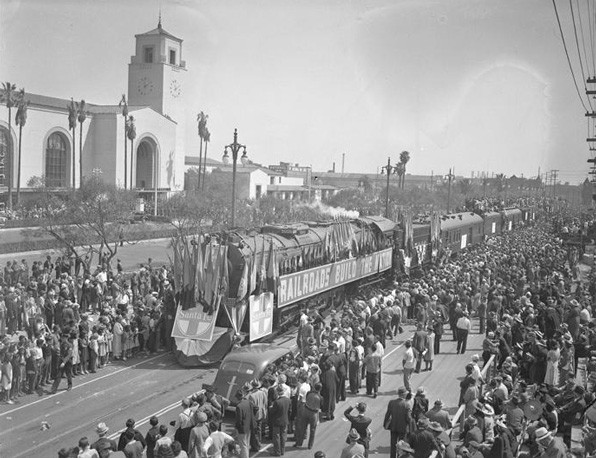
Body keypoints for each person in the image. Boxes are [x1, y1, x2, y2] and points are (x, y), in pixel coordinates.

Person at [384, 387, 412, 458]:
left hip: (393, 426)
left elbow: (387, 414)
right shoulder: (407, 404)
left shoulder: (392, 402)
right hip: (403, 428)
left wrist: (385, 424)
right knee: (402, 445)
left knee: (393, 444)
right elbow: (408, 418)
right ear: (404, 395)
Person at [294, 382, 322, 450]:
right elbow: (321, 406)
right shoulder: (320, 397)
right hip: (314, 413)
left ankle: (299, 443)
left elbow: (306, 399)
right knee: (312, 430)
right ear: (320, 389)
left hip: (306, 410)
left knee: (302, 428)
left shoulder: (309, 393)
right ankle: (310, 445)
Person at [270, 383, 291, 456]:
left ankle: (277, 452)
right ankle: (282, 451)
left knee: (276, 437)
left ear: (278, 392)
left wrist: (271, 407)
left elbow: (272, 411)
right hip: (285, 420)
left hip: (277, 421)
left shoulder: (277, 402)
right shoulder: (288, 400)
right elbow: (289, 411)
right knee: (283, 437)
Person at [234, 389, 254, 458]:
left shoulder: (239, 406)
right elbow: (255, 409)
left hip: (242, 428)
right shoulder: (248, 402)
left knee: (243, 445)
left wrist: (237, 427)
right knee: (247, 443)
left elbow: (239, 420)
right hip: (248, 426)